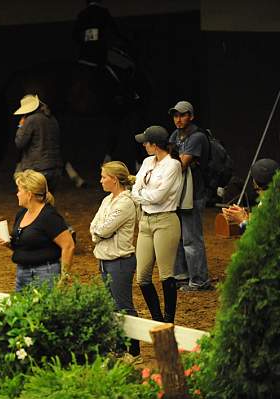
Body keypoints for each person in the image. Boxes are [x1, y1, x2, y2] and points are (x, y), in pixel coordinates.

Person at [132, 126, 183, 323]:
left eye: (147, 142)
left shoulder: (172, 165)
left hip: (165, 220)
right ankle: (157, 318)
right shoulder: (147, 161)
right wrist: (144, 196)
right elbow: (136, 186)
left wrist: (141, 195)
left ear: (155, 145)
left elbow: (159, 196)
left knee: (165, 274)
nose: (144, 145)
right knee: (142, 277)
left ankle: (169, 319)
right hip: (145, 220)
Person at [90, 161, 139, 355]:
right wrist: (98, 233)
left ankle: (134, 351)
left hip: (120, 261)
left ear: (115, 180)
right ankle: (119, 348)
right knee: (111, 305)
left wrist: (98, 232)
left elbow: (103, 229)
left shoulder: (125, 203)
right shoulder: (106, 200)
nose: (101, 180)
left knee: (123, 306)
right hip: (104, 260)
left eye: (104, 177)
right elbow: (94, 226)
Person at [0, 169, 75, 291]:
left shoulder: (49, 216)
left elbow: (68, 245)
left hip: (45, 273)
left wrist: (64, 278)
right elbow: (25, 246)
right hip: (22, 272)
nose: (17, 194)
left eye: (19, 190)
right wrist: (9, 244)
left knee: (44, 309)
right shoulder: (21, 214)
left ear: (29, 194)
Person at [168, 101, 212, 291]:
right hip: (180, 193)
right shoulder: (175, 135)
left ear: (191, 116)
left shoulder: (197, 137)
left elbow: (180, 165)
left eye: (182, 115)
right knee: (178, 236)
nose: (178, 119)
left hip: (194, 194)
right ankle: (182, 276)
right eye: (175, 115)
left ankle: (200, 280)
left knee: (191, 238)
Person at [14, 94, 63, 192]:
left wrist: (21, 126)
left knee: (32, 201)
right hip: (55, 168)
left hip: (36, 169)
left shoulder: (31, 120)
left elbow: (19, 142)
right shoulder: (52, 119)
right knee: (47, 200)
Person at [222, 158, 280, 232]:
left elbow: (258, 236)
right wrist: (239, 215)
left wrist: (242, 221)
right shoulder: (277, 197)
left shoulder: (272, 203)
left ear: (255, 183)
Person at [72, 0, 120, 67]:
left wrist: (83, 43)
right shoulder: (103, 12)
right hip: (100, 51)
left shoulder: (82, 13)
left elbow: (75, 34)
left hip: (86, 52)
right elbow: (114, 30)